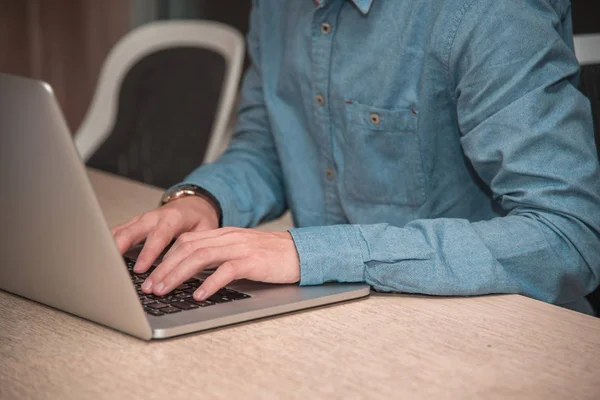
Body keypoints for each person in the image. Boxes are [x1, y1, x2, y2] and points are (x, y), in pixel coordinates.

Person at [112, 0, 600, 314]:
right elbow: (267, 147)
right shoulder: (274, 9)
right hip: (334, 319)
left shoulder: (489, 11)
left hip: (491, 334)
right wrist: (203, 200)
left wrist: (312, 253)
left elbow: (568, 234)